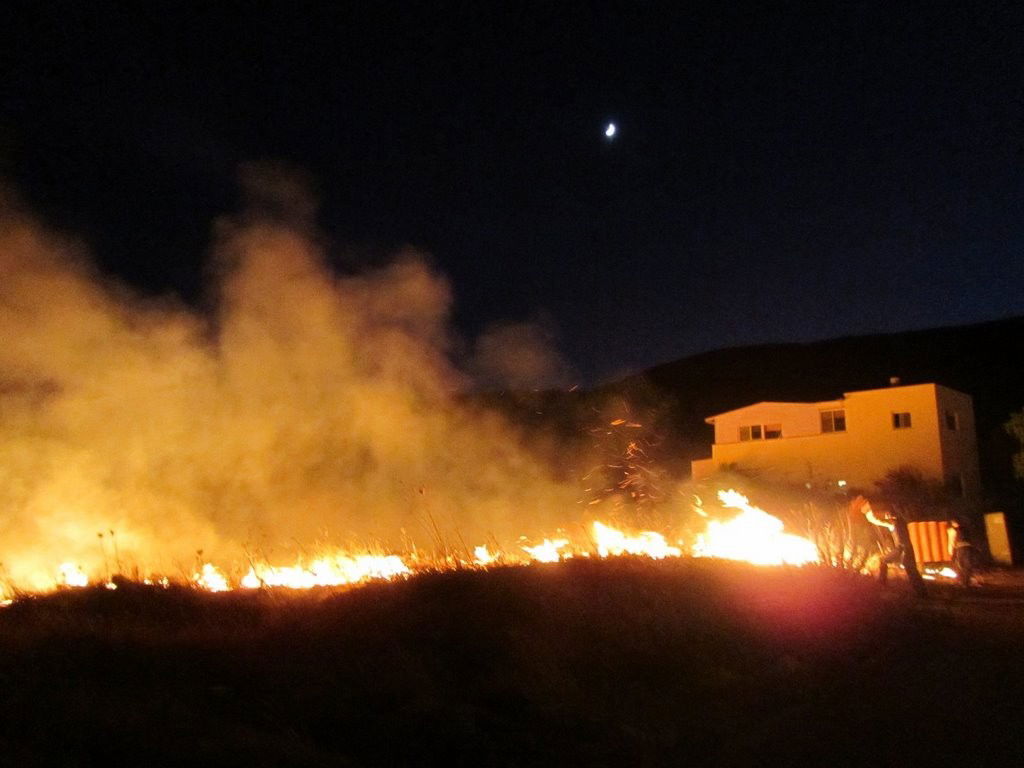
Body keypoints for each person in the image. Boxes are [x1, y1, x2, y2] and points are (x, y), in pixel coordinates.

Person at [855, 495, 927, 597]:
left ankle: (922, 593)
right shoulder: (896, 521)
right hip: (903, 548)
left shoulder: (895, 522)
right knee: (903, 566)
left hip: (903, 548)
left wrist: (868, 511)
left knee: (908, 567)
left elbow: (878, 520)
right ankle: (921, 592)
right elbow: (880, 519)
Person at [947, 518, 976, 588]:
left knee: (960, 565)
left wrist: (950, 550)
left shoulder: (953, 530)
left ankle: (962, 581)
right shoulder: (966, 529)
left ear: (954, 523)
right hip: (968, 548)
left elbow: (952, 541)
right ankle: (966, 582)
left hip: (960, 548)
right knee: (967, 565)